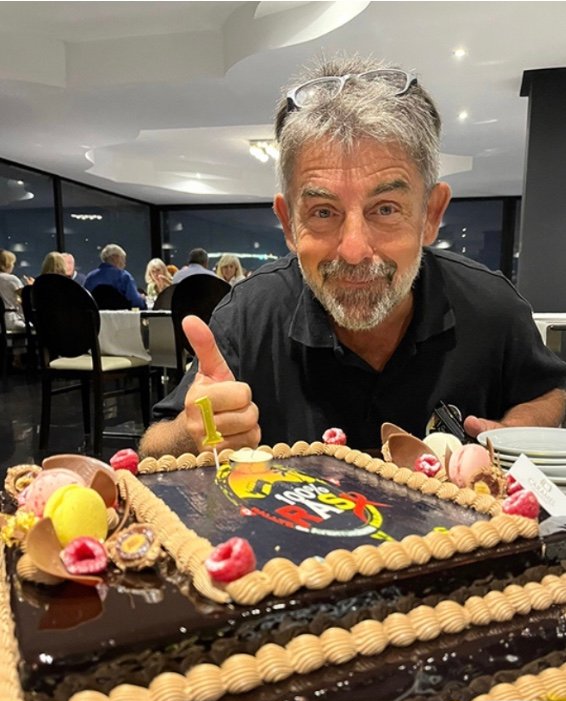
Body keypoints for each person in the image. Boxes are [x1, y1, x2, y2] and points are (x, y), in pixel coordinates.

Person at [139, 55, 566, 459]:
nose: (354, 250)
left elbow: (553, 391)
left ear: (431, 215)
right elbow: (152, 446)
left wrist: (516, 431)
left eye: (385, 209)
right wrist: (197, 431)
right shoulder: (248, 316)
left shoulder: (491, 306)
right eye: (323, 212)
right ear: (288, 223)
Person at [84, 244, 146, 309]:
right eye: (123, 259)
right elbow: (136, 303)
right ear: (115, 258)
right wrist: (142, 299)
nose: (125, 263)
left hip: (95, 315)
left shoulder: (90, 278)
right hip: (122, 315)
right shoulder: (124, 277)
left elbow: (84, 302)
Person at [0, 249, 25, 331]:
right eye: (13, 263)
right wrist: (29, 287)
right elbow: (26, 298)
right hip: (10, 320)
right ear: (7, 264)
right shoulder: (11, 279)